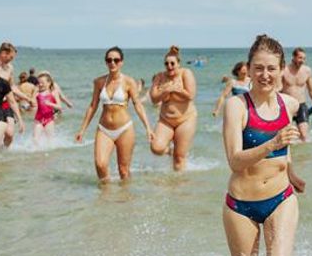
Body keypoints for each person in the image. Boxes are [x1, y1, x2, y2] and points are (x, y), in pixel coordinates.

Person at [221, 34, 304, 256]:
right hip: (240, 205)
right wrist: (272, 143)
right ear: (249, 70)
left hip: (281, 199)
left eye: (272, 68)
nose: (265, 75)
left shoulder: (291, 104)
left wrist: (292, 172)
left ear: (282, 70)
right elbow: (234, 160)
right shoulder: (236, 106)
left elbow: (286, 149)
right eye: (259, 68)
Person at [75, 47, 154, 182]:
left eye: (116, 60)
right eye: (109, 60)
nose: (112, 63)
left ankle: (124, 199)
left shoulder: (129, 82)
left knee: (123, 170)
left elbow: (138, 105)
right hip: (104, 129)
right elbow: (93, 106)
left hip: (124, 129)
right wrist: (82, 129)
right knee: (100, 164)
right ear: (106, 62)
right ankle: (106, 196)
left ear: (121, 62)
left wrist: (148, 128)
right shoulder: (99, 82)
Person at [149, 46, 198, 171]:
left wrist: (176, 89)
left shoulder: (186, 73)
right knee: (156, 148)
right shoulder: (160, 77)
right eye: (166, 63)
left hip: (185, 119)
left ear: (178, 64)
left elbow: (190, 95)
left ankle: (178, 186)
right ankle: (170, 150)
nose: (169, 66)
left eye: (172, 63)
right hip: (166, 120)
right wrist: (166, 91)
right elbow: (154, 98)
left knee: (179, 157)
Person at [281, 48, 312, 141]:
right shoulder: (284, 70)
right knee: (286, 136)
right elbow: (277, 89)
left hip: (301, 105)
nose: (302, 61)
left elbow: (311, 90)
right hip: (286, 105)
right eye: (300, 58)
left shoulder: (307, 71)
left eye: (304, 58)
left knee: (304, 135)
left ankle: (303, 155)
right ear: (293, 57)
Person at [32, 71, 61, 147]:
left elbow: (59, 106)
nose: (40, 84)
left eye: (42, 82)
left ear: (49, 83)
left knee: (50, 141)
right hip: (38, 119)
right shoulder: (38, 93)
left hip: (49, 120)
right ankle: (37, 154)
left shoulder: (53, 93)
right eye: (39, 82)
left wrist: (50, 104)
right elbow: (32, 102)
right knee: (35, 139)